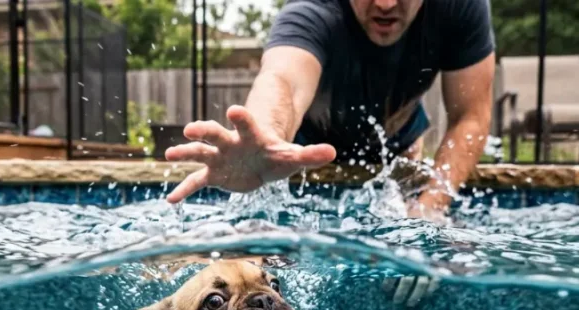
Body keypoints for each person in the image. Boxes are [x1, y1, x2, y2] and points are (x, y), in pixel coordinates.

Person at [164, 0, 496, 221]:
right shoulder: (312, 10)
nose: (385, 3)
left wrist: (428, 211)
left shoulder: (459, 7)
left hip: (398, 148)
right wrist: (266, 133)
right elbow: (283, 80)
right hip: (304, 152)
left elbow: (471, 117)